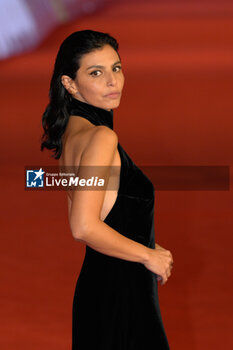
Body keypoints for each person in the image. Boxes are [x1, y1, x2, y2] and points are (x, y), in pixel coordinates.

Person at [41, 29, 173, 350]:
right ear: (69, 84)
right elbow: (83, 226)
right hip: (122, 296)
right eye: (96, 73)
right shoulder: (101, 138)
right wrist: (148, 255)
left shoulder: (72, 132)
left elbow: (104, 213)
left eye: (116, 68)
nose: (112, 81)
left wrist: (143, 240)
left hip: (100, 290)